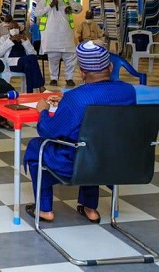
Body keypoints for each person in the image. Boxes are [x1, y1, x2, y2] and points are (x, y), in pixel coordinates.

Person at [23, 41, 136, 223]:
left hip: (77, 165)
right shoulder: (129, 92)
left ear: (82, 72)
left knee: (38, 146)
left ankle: (44, 209)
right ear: (110, 66)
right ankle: (90, 207)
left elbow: (47, 130)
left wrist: (43, 110)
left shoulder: (76, 98)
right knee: (94, 143)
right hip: (114, 162)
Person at [35, 0, 82, 87]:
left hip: (65, 34)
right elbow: (37, 13)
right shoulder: (45, 0)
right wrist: (49, 6)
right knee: (53, 58)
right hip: (51, 35)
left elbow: (79, 8)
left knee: (70, 57)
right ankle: (54, 79)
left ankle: (69, 78)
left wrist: (72, 8)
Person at [0, 21, 46, 93]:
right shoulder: (4, 38)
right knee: (32, 58)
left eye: (15, 27)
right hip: (12, 64)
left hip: (25, 62)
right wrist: (9, 41)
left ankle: (29, 93)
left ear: (19, 28)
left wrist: (25, 42)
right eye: (11, 28)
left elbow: (33, 53)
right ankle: (41, 86)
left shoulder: (24, 38)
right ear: (9, 30)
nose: (14, 29)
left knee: (28, 65)